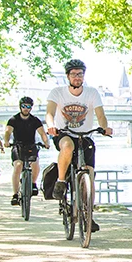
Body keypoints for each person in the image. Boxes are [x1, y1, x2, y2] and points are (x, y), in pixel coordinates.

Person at [46, 58, 111, 231]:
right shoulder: (57, 92)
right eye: (74, 74)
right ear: (68, 76)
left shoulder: (92, 93)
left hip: (86, 135)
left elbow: (101, 115)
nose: (77, 77)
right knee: (67, 146)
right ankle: (61, 181)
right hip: (64, 134)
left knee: (89, 174)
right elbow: (49, 113)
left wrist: (105, 128)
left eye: (80, 74)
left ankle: (89, 215)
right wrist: (51, 125)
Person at [4, 96, 51, 206]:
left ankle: (33, 183)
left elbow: (42, 133)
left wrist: (46, 142)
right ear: (20, 107)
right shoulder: (13, 119)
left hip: (31, 145)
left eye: (28, 106)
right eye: (24, 106)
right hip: (18, 145)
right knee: (18, 166)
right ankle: (15, 194)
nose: (26, 109)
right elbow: (8, 131)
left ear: (31, 108)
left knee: (35, 164)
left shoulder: (35, 120)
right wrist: (6, 141)